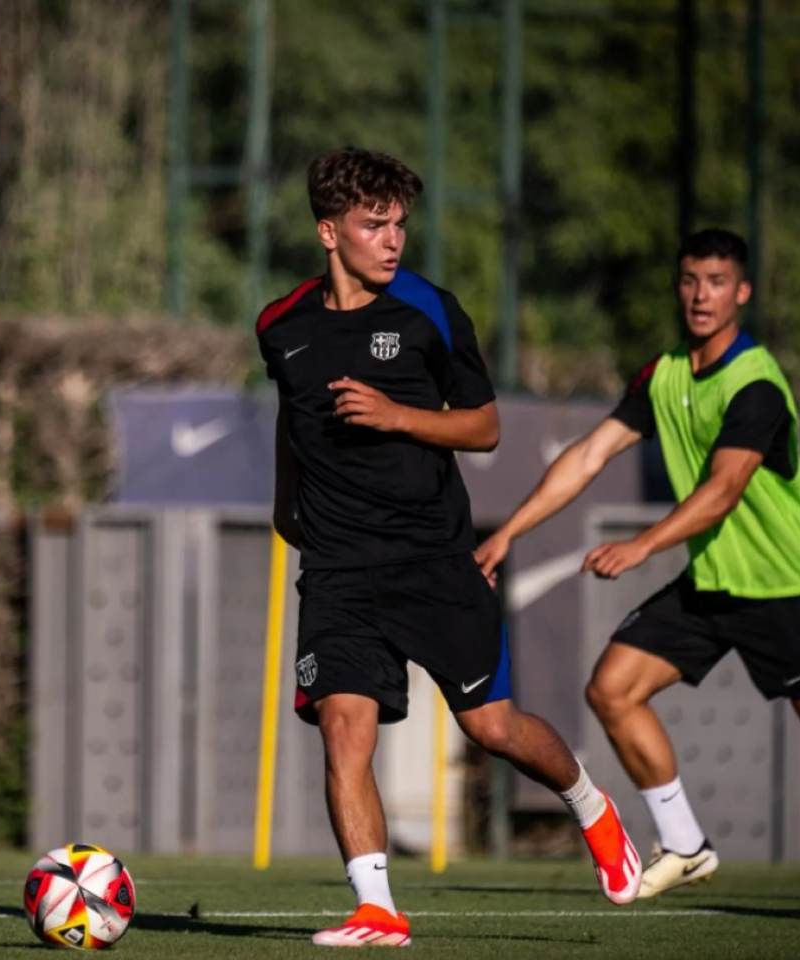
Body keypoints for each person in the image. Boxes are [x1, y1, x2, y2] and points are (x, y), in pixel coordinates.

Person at [474, 228, 800, 905]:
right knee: (613, 688)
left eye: (716, 282)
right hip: (711, 585)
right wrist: (509, 532)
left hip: (780, 590)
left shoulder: (757, 385)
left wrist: (641, 546)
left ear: (741, 292)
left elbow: (723, 491)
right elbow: (587, 455)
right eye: (690, 280)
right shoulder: (661, 375)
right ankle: (685, 842)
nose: (701, 295)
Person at [257, 147, 642, 949]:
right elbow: (294, 425)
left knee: (492, 728)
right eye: (374, 226)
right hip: (334, 569)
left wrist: (398, 416)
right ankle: (378, 909)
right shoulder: (280, 325)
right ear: (329, 233)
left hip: (431, 561)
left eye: (400, 224)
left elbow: (485, 427)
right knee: (343, 726)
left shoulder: (429, 310)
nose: (393, 241)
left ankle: (591, 806)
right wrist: (285, 503)